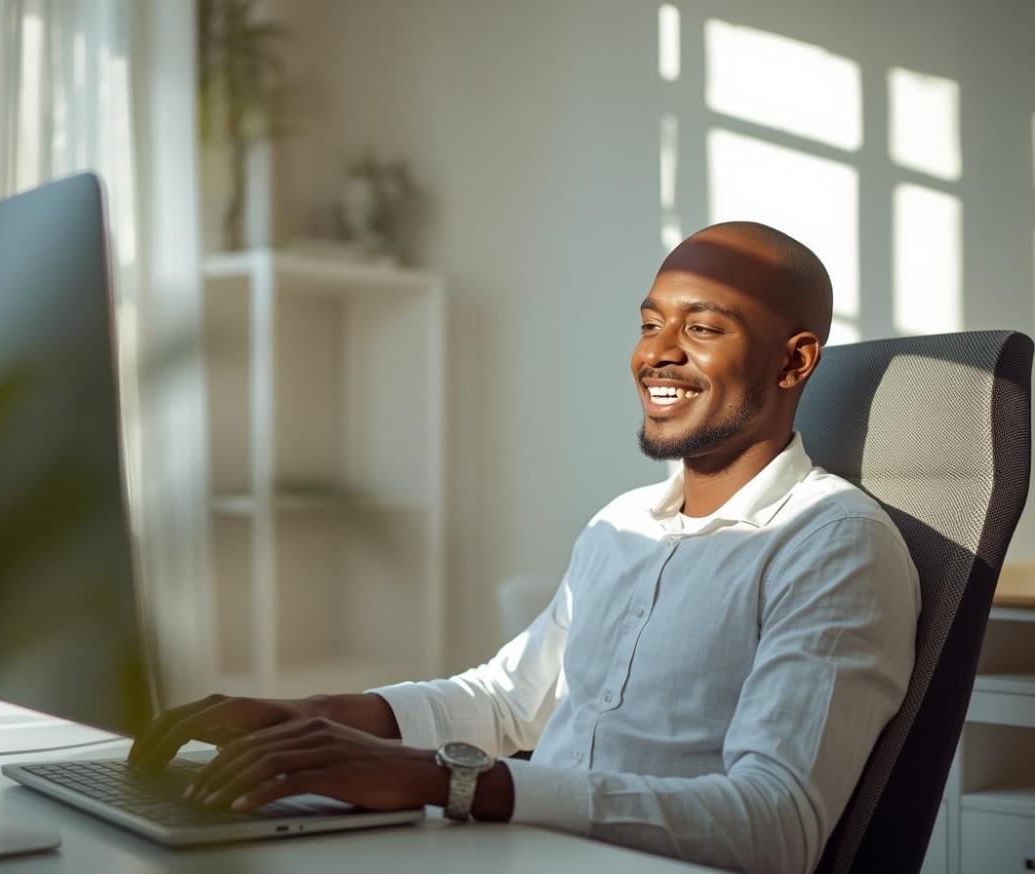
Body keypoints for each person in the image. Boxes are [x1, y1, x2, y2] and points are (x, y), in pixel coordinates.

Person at [128, 221, 920, 874]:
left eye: (703, 327)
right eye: (649, 324)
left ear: (794, 361)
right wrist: (321, 716)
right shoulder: (622, 524)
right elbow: (510, 701)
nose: (656, 354)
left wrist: (448, 782)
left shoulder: (832, 544)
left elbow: (773, 825)